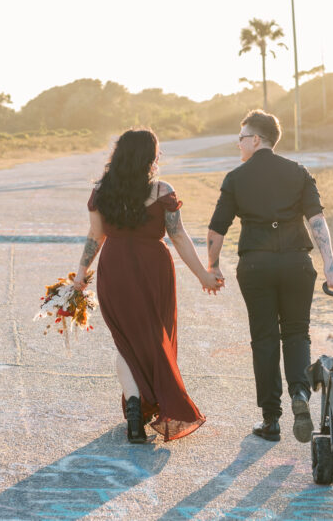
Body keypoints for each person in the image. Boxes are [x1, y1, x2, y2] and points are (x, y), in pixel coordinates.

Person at [74, 129, 223, 443]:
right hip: (152, 270)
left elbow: (95, 236)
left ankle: (133, 406)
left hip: (113, 269)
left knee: (124, 341)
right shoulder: (162, 191)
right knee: (155, 337)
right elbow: (178, 236)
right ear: (151, 157)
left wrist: (80, 273)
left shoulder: (102, 191)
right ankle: (147, 403)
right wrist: (203, 276)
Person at [206, 110, 333, 443]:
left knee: (264, 339)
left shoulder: (236, 178)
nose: (238, 145)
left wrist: (213, 265)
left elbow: (216, 229)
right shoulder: (298, 173)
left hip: (256, 266)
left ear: (255, 139)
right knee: (297, 333)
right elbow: (317, 222)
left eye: (241, 138)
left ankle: (270, 420)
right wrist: (330, 265)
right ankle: (299, 393)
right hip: (297, 264)